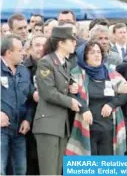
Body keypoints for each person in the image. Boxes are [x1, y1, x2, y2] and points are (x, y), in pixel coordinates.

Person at [68, 41, 127, 155]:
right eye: (92, 52)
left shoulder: (110, 72)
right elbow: (72, 94)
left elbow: (126, 92)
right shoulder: (77, 73)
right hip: (87, 129)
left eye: (98, 52)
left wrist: (112, 104)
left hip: (109, 129)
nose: (97, 55)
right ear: (85, 56)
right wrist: (84, 109)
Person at [32, 27, 81, 175]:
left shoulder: (65, 63)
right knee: (49, 171)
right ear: (61, 42)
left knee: (58, 170)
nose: (74, 43)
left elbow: (64, 86)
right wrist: (70, 102)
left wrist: (73, 86)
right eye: (71, 40)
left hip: (60, 124)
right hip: (48, 124)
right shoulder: (46, 62)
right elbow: (48, 92)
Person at [1, 34, 34, 175]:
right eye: (20, 50)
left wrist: (28, 119)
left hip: (19, 131)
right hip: (1, 130)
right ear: (9, 53)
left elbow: (31, 98)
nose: (24, 53)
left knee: (21, 170)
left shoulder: (24, 71)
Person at [23, 34, 47, 175]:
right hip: (28, 119)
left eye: (44, 45)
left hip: (49, 119)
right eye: (37, 45)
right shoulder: (22, 68)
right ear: (30, 48)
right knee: (30, 160)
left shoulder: (55, 66)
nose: (41, 48)